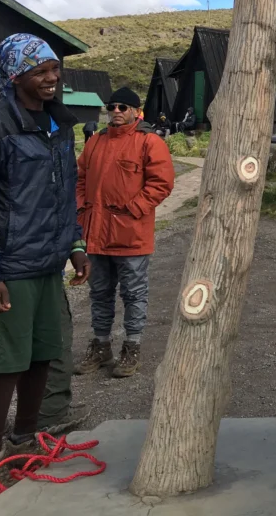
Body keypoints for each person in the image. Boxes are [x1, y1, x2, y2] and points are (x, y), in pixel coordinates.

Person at [0, 34, 90, 468]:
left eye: (53, 69)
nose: (52, 78)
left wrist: (75, 244)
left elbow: (64, 196)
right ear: (15, 75)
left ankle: (26, 436)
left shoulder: (58, 124)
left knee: (43, 352)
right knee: (6, 361)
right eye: (40, 71)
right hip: (9, 265)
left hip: (47, 263)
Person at [72, 88, 174, 379]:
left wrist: (133, 209)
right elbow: (79, 179)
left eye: (123, 106)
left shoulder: (149, 142)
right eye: (111, 106)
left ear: (135, 111)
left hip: (131, 236)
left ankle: (132, 347)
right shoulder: (95, 143)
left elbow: (162, 183)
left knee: (134, 293)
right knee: (100, 293)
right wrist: (82, 209)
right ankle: (101, 346)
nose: (116, 111)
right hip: (97, 235)